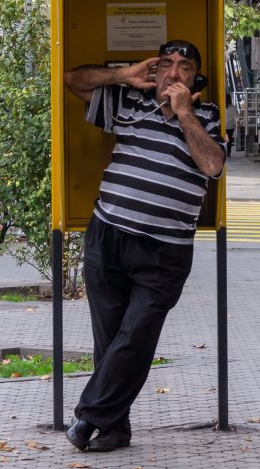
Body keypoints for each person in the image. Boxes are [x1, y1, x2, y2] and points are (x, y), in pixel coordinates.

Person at [62, 39, 225, 453]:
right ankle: (115, 430)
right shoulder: (130, 105)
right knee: (110, 339)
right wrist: (123, 75)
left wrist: (185, 113)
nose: (173, 72)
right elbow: (71, 80)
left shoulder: (208, 117)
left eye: (183, 67)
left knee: (135, 337)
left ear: (195, 79)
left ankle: (89, 418)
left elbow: (212, 165)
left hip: (165, 251)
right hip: (108, 234)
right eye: (165, 65)